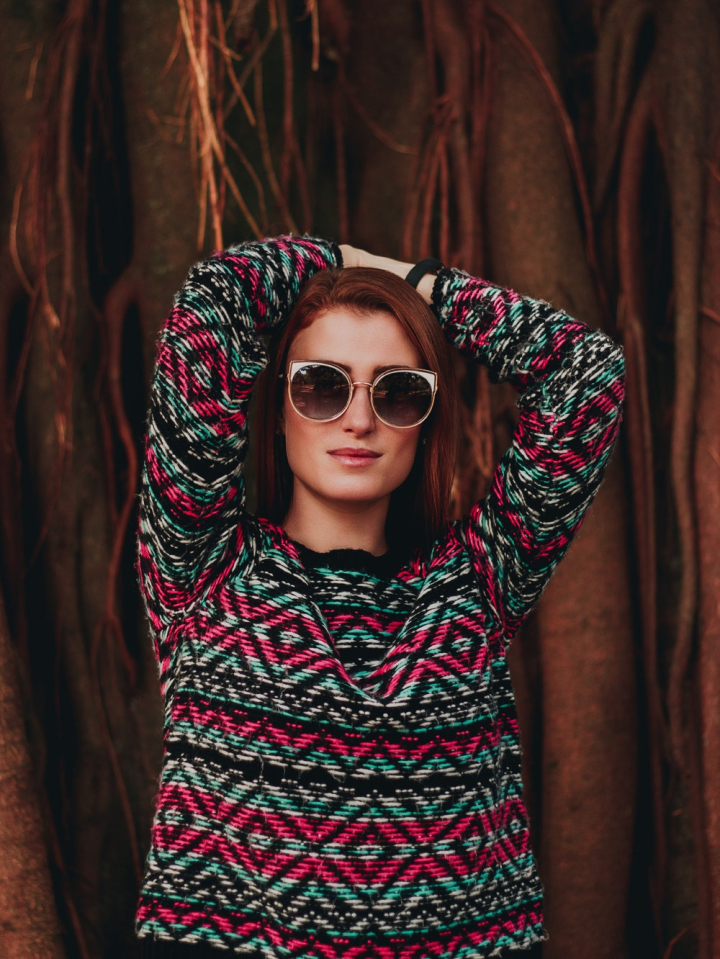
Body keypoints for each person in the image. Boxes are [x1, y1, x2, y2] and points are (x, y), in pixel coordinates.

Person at [134, 235, 625, 958]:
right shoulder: (202, 568)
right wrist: (337, 256)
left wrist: (417, 283)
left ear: (426, 423)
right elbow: (214, 298)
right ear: (276, 408)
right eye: (322, 385)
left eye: (397, 390)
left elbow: (587, 372)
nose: (358, 419)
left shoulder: (478, 581)